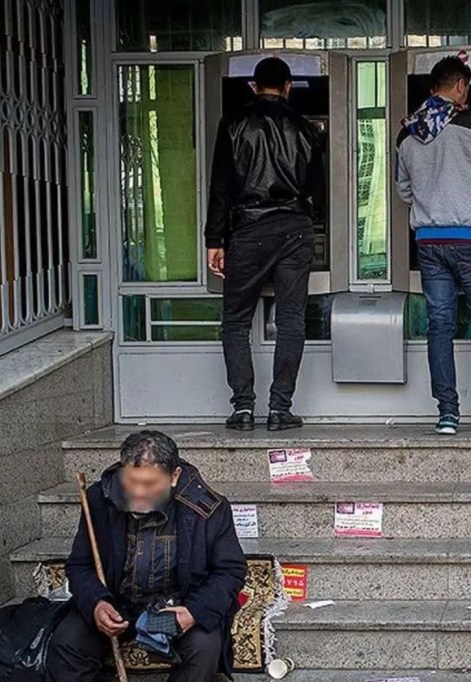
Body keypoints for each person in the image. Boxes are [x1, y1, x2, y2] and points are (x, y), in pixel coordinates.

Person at [47, 431, 247, 682]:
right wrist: (97, 602)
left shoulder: (207, 508)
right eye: (132, 481)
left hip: (175, 609)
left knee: (203, 651)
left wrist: (194, 611)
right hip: (118, 605)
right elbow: (79, 565)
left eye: (151, 484)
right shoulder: (100, 499)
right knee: (67, 644)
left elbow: (230, 571)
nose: (139, 492)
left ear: (174, 477)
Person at [395, 55, 471, 436]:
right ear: (461, 86)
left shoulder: (406, 134)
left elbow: (403, 191)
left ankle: (447, 414)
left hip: (430, 242)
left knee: (440, 325)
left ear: (433, 88)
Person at [205, 56, 325, 432]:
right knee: (290, 321)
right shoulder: (307, 129)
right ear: (288, 87)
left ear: (254, 87)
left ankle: (243, 408)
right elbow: (318, 192)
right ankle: (279, 409)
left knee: (235, 321)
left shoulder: (233, 124)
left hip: (249, 229)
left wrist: (214, 239)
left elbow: (221, 186)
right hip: (295, 229)